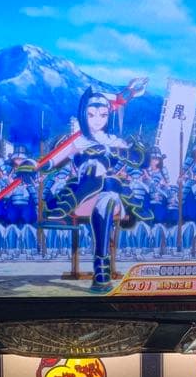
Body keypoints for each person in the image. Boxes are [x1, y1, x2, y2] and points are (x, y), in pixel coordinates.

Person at [46, 88, 146, 292]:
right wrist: (30, 166)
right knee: (92, 169)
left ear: (109, 116)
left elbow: (140, 161)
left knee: (107, 196)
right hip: (82, 197)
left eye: (103, 115)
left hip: (109, 194)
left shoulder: (115, 141)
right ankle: (101, 268)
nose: (97, 120)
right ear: (84, 115)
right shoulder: (76, 141)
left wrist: (111, 150)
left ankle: (101, 267)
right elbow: (50, 162)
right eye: (91, 115)